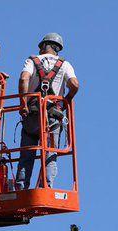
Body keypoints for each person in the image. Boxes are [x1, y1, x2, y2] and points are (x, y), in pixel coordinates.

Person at [16, 32, 79, 190]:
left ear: (43, 46)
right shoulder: (65, 65)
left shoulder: (32, 60)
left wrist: (23, 103)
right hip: (52, 116)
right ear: (57, 49)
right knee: (50, 153)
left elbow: (24, 78)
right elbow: (75, 84)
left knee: (27, 154)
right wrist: (68, 98)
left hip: (32, 114)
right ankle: (46, 187)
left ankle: (21, 186)